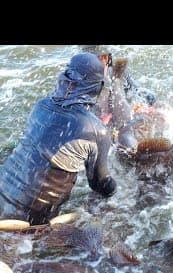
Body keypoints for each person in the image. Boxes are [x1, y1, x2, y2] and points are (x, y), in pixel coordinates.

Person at [0, 53, 117, 225]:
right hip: (25, 221)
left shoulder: (41, 105)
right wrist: (119, 191)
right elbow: (100, 185)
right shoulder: (95, 130)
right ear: (96, 87)